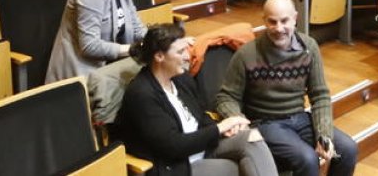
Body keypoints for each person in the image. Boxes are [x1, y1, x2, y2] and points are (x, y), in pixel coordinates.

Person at [216, 0, 358, 176]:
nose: (279, 28)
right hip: (266, 123)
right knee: (307, 158)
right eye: (272, 22)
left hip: (299, 117)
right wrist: (237, 118)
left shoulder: (309, 47)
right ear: (264, 21)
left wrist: (325, 133)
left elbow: (320, 95)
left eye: (284, 21)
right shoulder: (246, 55)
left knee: (347, 149)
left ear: (295, 18)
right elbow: (225, 97)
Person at [119, 24, 279, 176]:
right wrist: (218, 129)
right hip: (177, 164)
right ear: (159, 56)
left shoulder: (181, 79)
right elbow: (173, 146)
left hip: (202, 146)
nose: (187, 56)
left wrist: (224, 129)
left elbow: (201, 116)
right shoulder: (142, 94)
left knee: (253, 138)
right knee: (238, 169)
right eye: (180, 52)